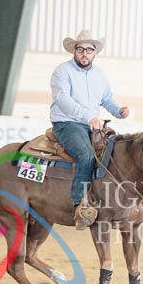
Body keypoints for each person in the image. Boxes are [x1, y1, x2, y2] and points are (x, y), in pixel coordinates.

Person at [50, 30, 130, 230]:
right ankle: (80, 205)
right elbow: (62, 100)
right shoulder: (62, 72)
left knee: (117, 153)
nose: (84, 53)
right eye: (80, 49)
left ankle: (113, 202)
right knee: (85, 155)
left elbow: (107, 99)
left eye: (89, 49)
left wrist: (119, 110)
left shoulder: (99, 75)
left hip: (92, 124)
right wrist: (88, 117)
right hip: (67, 123)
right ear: (74, 51)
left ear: (95, 52)